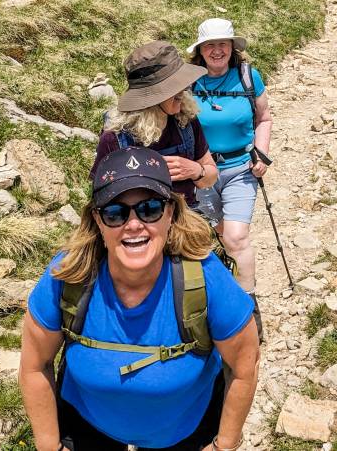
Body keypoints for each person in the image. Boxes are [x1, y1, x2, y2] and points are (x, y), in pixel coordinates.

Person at [20, 146, 259, 451]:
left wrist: (223, 445)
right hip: (87, 423)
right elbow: (34, 365)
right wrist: (49, 446)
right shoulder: (68, 276)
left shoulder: (206, 279)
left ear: (170, 213)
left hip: (186, 430)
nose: (133, 224)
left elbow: (244, 366)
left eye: (149, 209)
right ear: (98, 221)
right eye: (115, 212)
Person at [188, 18, 273, 309]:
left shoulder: (249, 76)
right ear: (200, 50)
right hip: (200, 173)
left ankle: (247, 305)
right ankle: (224, 284)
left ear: (232, 47)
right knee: (219, 233)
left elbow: (264, 118)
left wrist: (261, 154)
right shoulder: (187, 82)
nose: (216, 51)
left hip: (241, 169)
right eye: (209, 45)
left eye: (222, 44)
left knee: (236, 237)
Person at [92, 40, 218, 209]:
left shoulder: (186, 121)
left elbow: (210, 177)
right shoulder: (115, 138)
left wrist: (196, 170)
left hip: (187, 221)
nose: (183, 91)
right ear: (151, 98)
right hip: (140, 226)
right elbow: (101, 198)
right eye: (174, 87)